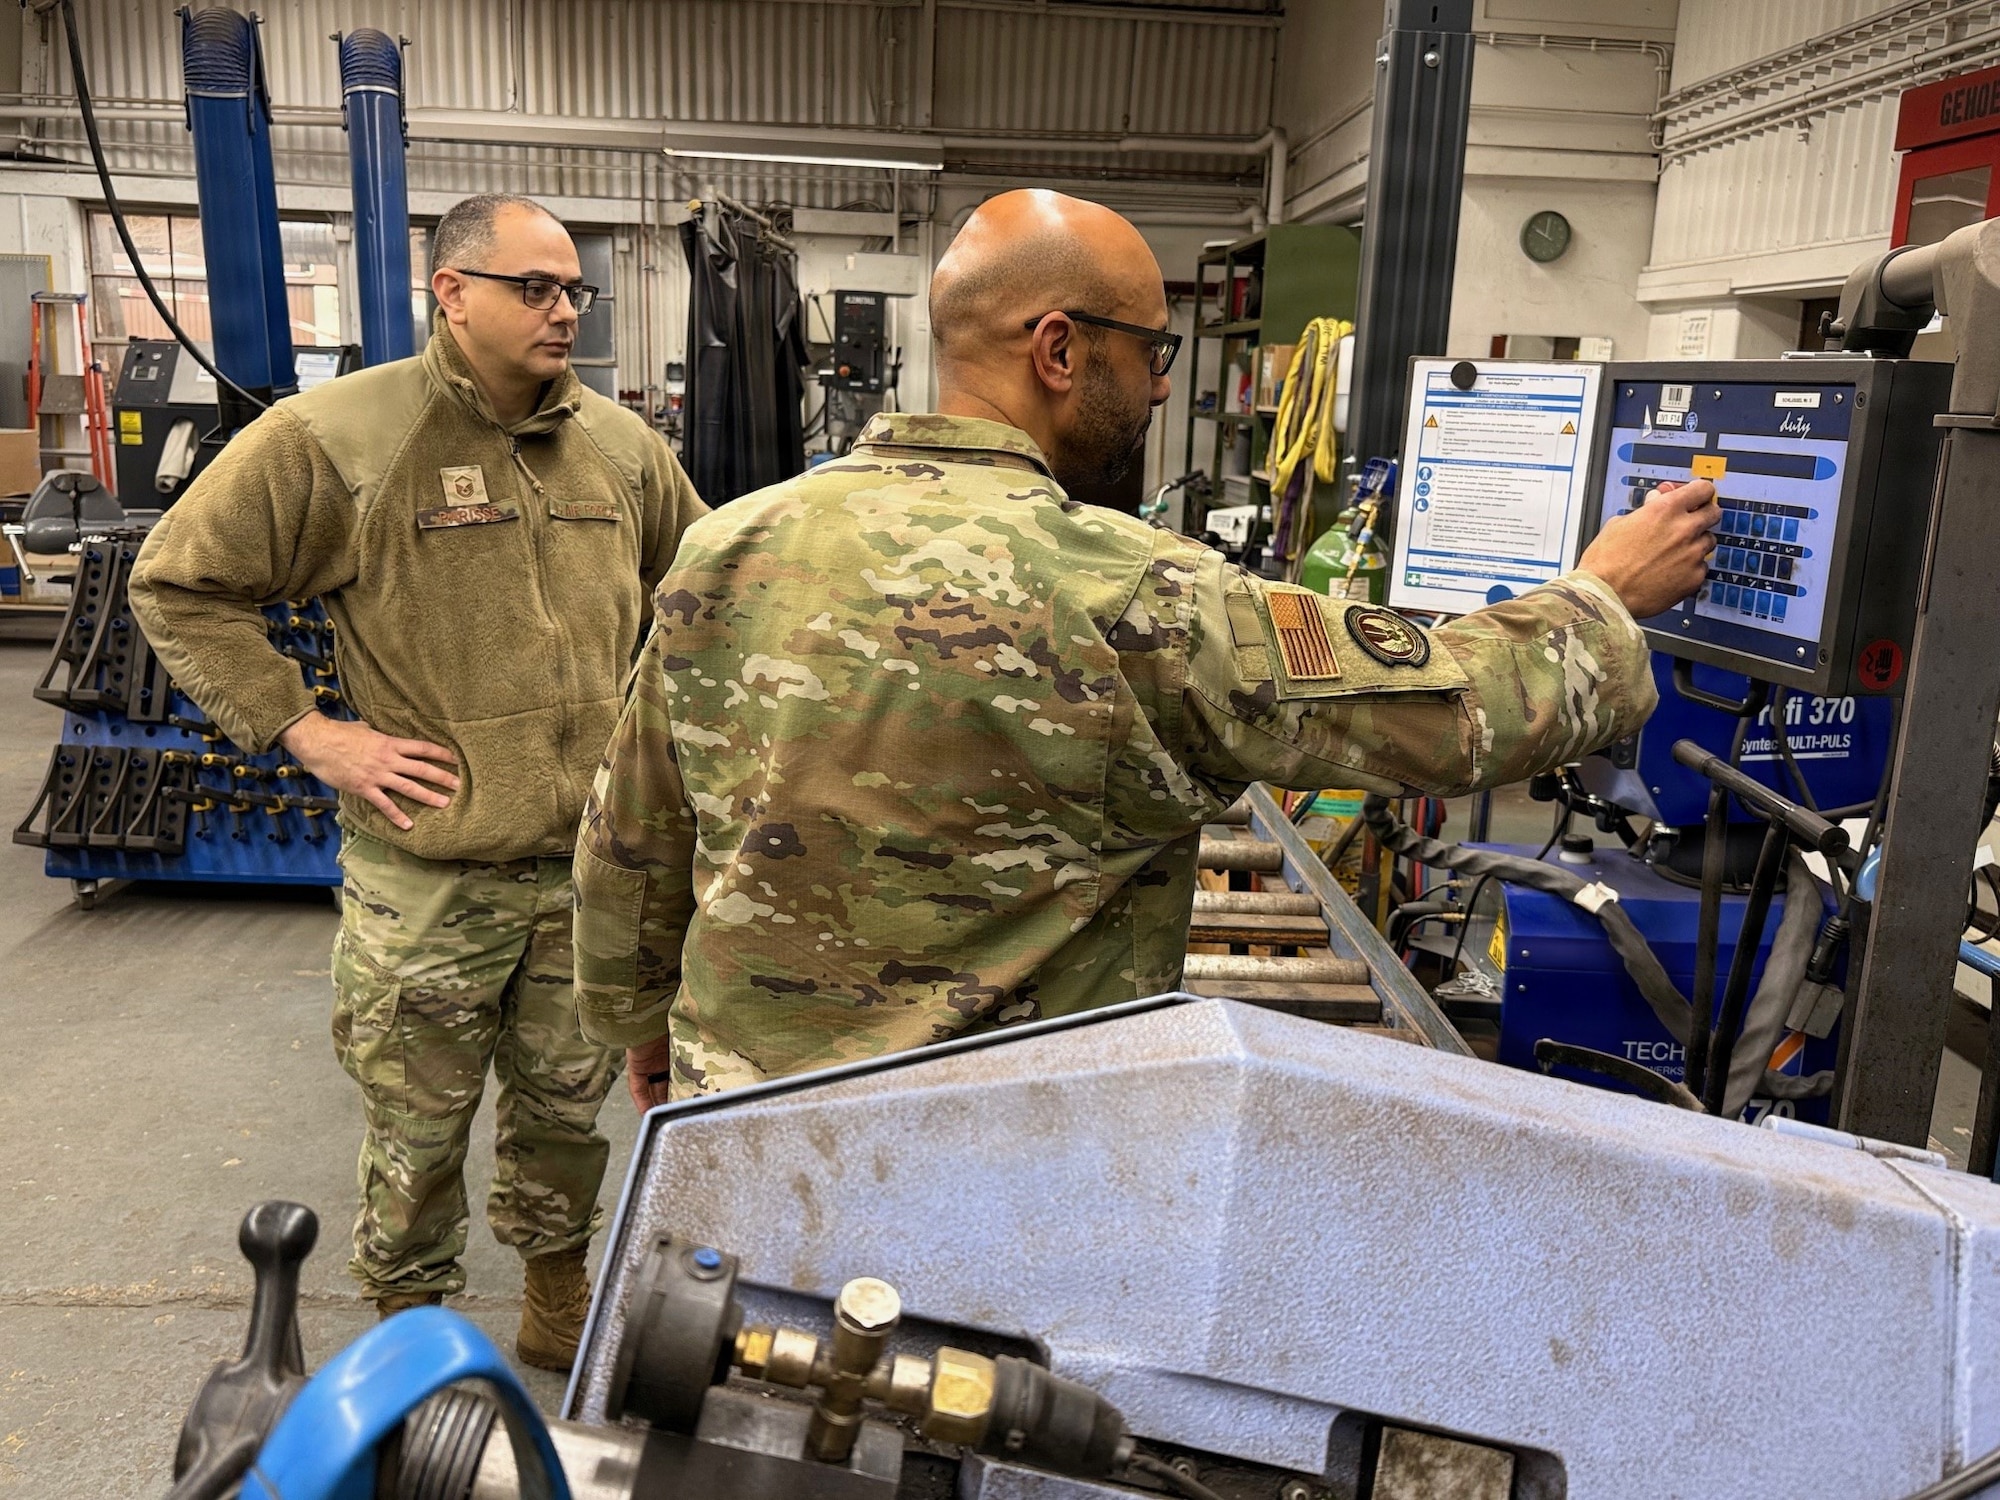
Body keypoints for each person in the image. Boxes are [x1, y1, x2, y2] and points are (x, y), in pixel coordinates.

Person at [573, 188, 1717, 1108]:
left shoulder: (728, 544)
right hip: (996, 1152)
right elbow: (1455, 709)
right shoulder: (1133, 590)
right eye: (1152, 347)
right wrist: (1601, 598)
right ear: (1059, 349)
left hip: (742, 1121)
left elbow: (632, 833)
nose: (1163, 380)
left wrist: (638, 1023)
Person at [127, 193, 706, 1369]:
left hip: (584, 877)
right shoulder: (340, 437)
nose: (564, 311)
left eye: (572, 290)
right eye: (533, 288)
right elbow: (179, 583)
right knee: (417, 1127)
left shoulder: (621, 446)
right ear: (451, 292)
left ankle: (554, 1295)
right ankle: (411, 1333)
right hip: (428, 874)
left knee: (565, 1113)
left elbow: (699, 595)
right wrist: (307, 729)